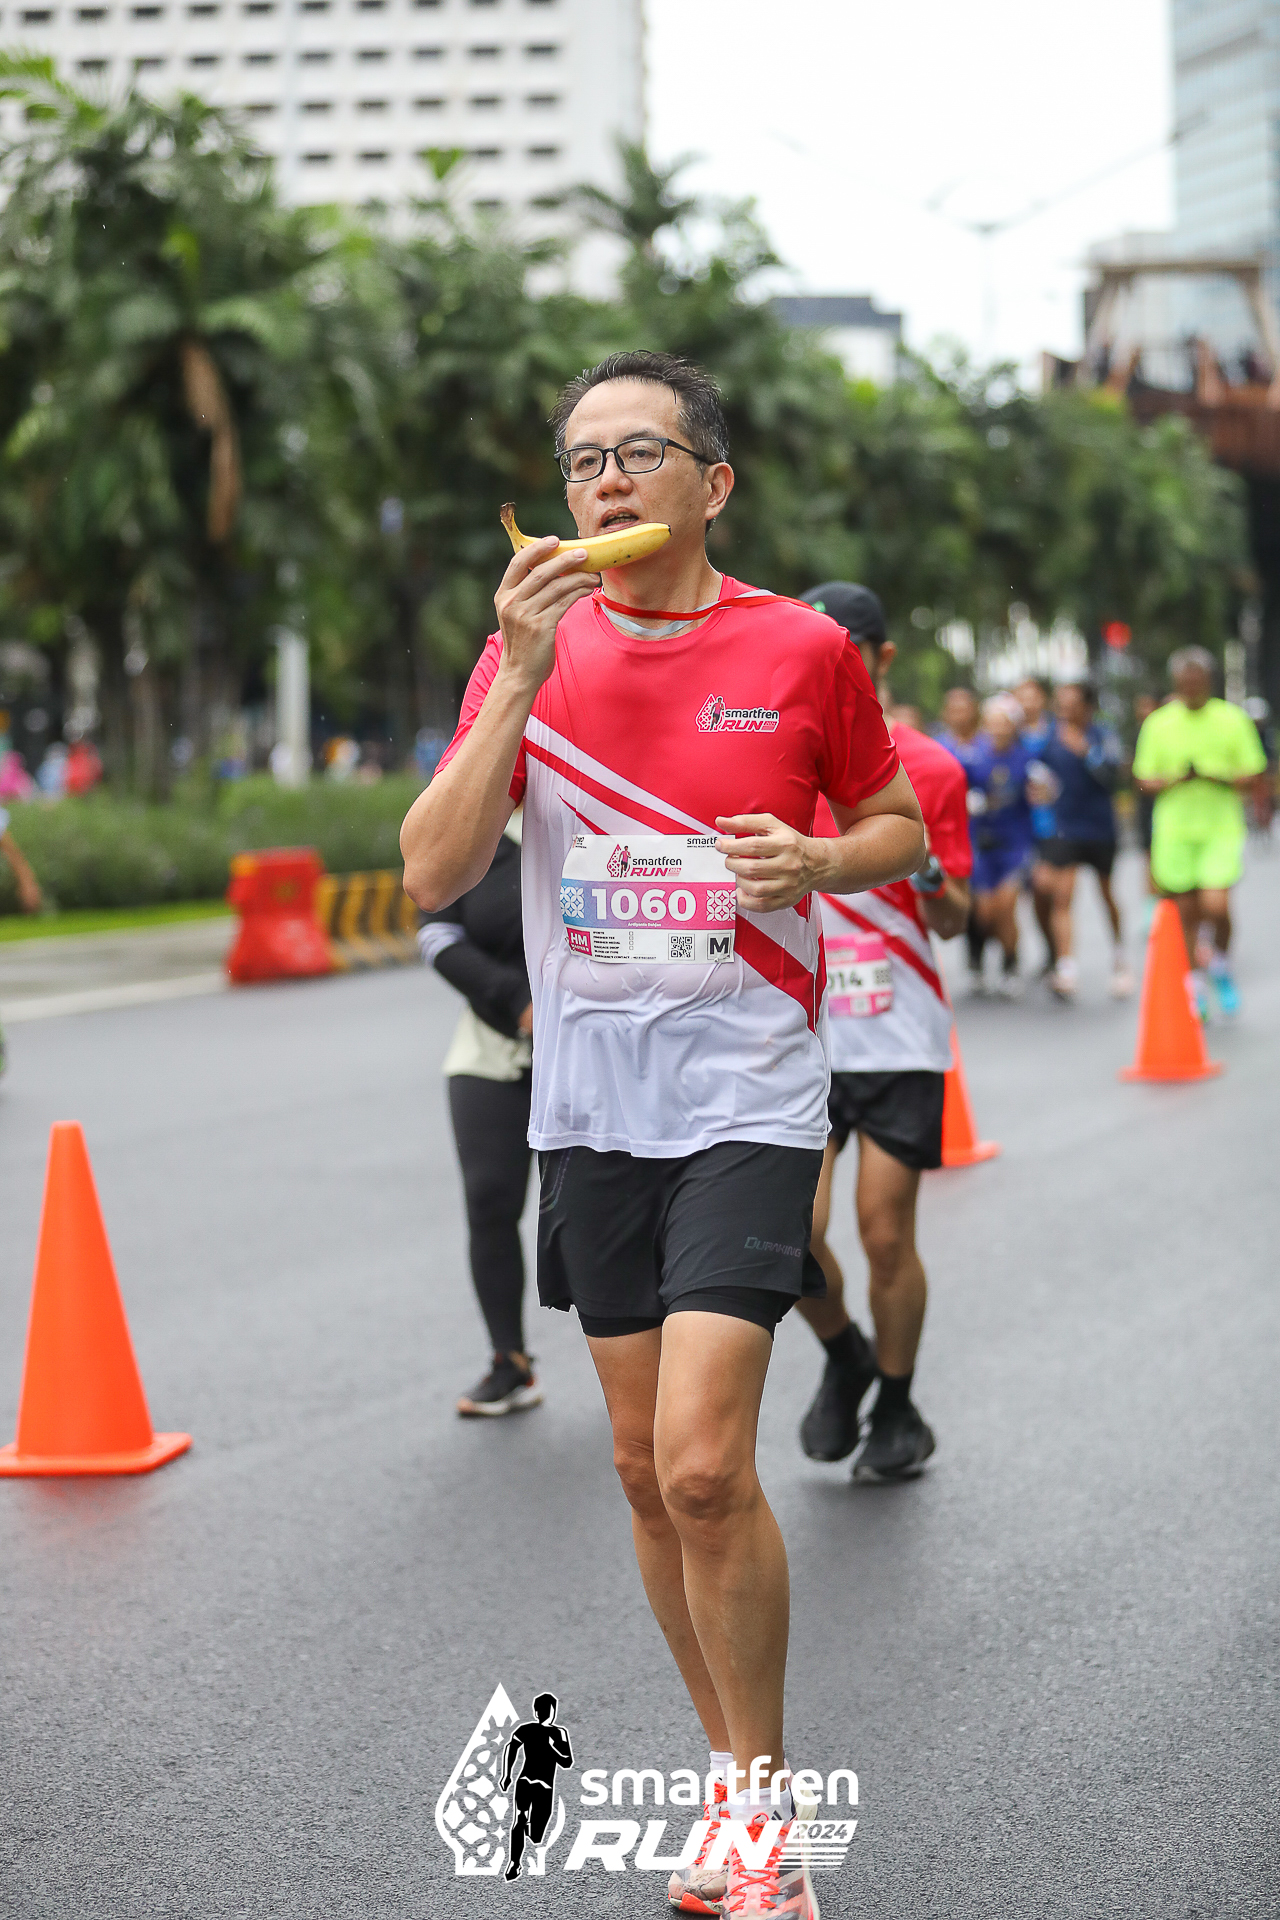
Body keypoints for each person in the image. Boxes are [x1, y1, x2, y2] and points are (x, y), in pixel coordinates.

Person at [400, 349, 926, 1920]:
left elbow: (894, 826)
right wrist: (514, 671)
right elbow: (431, 870)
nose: (606, 479)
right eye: (581, 460)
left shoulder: (802, 649)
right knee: (642, 1472)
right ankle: (723, 1771)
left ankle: (763, 1809)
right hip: (589, 1107)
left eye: (639, 451)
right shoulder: (531, 651)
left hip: (751, 1093)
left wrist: (815, 863)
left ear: (715, 482)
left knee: (704, 1466)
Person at [795, 583, 971, 1481]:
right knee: (786, 1231)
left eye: (848, 648)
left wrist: (926, 869)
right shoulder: (777, 752)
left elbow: (954, 919)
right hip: (800, 1036)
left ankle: (897, 1407)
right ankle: (845, 1353)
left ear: (881, 656)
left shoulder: (931, 769)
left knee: (885, 1235)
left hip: (899, 1033)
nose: (831, 664)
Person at [417, 810, 540, 1417]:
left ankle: (654, 1356)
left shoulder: (594, 816)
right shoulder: (472, 825)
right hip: (493, 1044)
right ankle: (508, 1360)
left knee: (602, 1212)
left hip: (597, 1053)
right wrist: (516, 1002)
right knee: (489, 1200)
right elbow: (437, 936)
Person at [1133, 646, 1266, 1016]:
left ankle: (1219, 962)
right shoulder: (1158, 723)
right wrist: (1174, 779)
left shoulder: (1231, 719)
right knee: (1187, 911)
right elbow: (1143, 779)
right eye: (1184, 681)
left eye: (1197, 680)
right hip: (1175, 830)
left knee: (1215, 904)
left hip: (1220, 828)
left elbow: (1253, 773)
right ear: (1176, 682)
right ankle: (1195, 983)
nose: (1191, 687)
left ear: (1209, 681)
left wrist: (1214, 776)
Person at [1030, 683, 1133, 1001]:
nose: (1065, 709)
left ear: (1087, 707)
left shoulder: (1103, 735)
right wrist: (1039, 789)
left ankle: (1120, 959)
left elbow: (1115, 777)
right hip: (1067, 828)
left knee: (1106, 894)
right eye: (1061, 703)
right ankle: (1066, 967)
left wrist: (1086, 751)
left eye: (1071, 704)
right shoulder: (1051, 735)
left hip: (1101, 828)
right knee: (1063, 896)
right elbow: (1038, 771)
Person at [962, 694, 1033, 996]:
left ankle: (1010, 964)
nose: (998, 728)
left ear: (1014, 726)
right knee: (984, 912)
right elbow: (958, 787)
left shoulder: (1025, 759)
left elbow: (1042, 793)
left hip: (1014, 844)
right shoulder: (974, 757)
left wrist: (1044, 792)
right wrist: (969, 801)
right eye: (992, 722)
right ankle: (980, 956)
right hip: (982, 844)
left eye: (1003, 723)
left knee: (1006, 906)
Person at [499, 1692, 574, 1882]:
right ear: (536, 1712)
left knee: (536, 1835)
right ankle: (514, 1862)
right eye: (543, 1710)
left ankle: (527, 1831)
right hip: (528, 1781)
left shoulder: (558, 1733)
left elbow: (567, 1762)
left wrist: (551, 1748)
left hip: (542, 1786)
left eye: (548, 1709)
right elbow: (511, 1747)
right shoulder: (528, 1729)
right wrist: (506, 1774)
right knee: (520, 1817)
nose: (546, 1713)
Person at [1016, 677, 1059, 969]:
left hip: (1052, 825)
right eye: (1021, 697)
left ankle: (1059, 953)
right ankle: (1050, 951)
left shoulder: (1056, 733)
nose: (1027, 703)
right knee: (1035, 894)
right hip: (1021, 827)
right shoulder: (1009, 734)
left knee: (1049, 889)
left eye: (1032, 696)